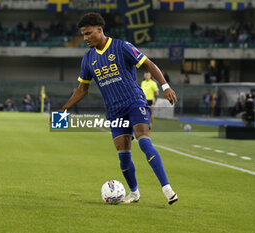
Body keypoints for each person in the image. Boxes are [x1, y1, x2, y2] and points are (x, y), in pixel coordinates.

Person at [57, 13, 178, 205]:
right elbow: (82, 89)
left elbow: (148, 64)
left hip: (135, 102)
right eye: (83, 35)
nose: (85, 38)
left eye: (88, 33)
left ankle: (167, 188)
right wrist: (63, 110)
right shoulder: (88, 59)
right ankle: (134, 193)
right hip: (114, 111)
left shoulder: (122, 47)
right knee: (123, 154)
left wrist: (165, 86)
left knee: (144, 142)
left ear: (99, 29)